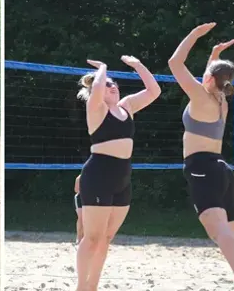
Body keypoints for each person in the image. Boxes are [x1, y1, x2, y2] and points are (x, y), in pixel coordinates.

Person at [170, 22, 234, 291]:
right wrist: (214, 54)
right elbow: (211, 77)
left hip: (201, 167)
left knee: (218, 232)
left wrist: (194, 34)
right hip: (221, 169)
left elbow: (175, 63)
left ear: (210, 80)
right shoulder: (221, 101)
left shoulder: (201, 97)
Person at [75, 55, 160, 291]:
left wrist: (137, 65)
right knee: (92, 238)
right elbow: (99, 87)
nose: (114, 86)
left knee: (105, 238)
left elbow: (154, 91)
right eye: (109, 84)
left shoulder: (127, 107)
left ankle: (93, 286)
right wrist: (103, 68)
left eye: (115, 84)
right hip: (98, 176)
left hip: (122, 178)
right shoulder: (96, 109)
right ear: (98, 91)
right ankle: (82, 287)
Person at [74, 174, 84, 245]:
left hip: (90, 198)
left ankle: (85, 237)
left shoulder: (96, 176)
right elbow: (76, 190)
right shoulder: (80, 177)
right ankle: (79, 238)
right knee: (81, 218)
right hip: (80, 198)